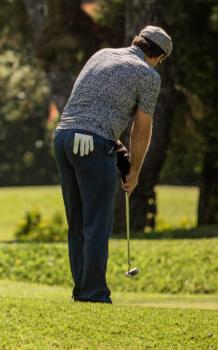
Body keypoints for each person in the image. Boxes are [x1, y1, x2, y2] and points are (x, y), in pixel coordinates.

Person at [52, 25, 172, 303]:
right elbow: (141, 131)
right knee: (96, 224)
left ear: (136, 42)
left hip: (63, 138)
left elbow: (89, 105)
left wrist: (114, 147)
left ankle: (82, 290)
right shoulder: (149, 75)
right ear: (158, 57)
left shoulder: (102, 54)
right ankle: (93, 293)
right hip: (92, 144)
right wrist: (134, 172)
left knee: (78, 223)